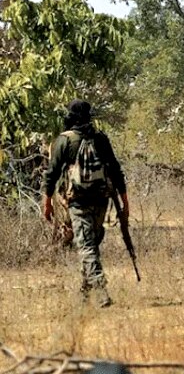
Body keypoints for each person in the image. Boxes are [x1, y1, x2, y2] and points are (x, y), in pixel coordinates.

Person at [42, 99, 128, 307]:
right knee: (91, 244)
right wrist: (125, 201)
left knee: (87, 245)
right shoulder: (100, 139)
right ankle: (84, 294)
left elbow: (51, 174)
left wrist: (47, 202)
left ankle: (101, 292)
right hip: (101, 199)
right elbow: (116, 171)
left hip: (77, 201)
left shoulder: (64, 140)